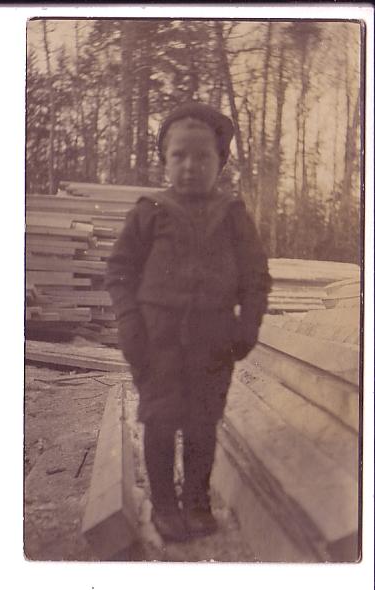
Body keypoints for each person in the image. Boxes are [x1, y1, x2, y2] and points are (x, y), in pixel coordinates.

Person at [105, 102, 271, 543]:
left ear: (221, 162)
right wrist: (129, 326)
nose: (191, 166)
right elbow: (120, 272)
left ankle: (196, 502)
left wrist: (247, 327)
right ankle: (164, 504)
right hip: (156, 341)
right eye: (179, 155)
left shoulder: (233, 214)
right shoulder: (149, 211)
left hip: (214, 342)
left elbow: (256, 278)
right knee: (159, 422)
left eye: (203, 157)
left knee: (202, 423)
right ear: (165, 159)